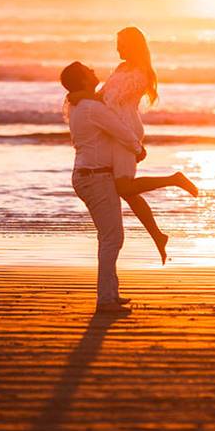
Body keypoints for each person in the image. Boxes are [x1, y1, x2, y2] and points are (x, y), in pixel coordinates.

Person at [68, 27, 198, 265]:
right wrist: (82, 97)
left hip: (125, 130)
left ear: (133, 45)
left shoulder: (141, 72)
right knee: (126, 191)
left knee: (125, 187)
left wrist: (85, 99)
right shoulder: (121, 68)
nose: (117, 49)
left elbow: (112, 101)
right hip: (117, 130)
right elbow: (104, 96)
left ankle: (174, 180)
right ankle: (158, 236)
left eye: (121, 44)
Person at [61, 61, 143, 313]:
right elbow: (122, 131)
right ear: (83, 80)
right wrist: (138, 149)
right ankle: (106, 300)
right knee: (112, 237)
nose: (94, 72)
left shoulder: (80, 105)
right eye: (89, 71)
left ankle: (110, 294)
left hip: (90, 176)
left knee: (109, 236)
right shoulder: (91, 108)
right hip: (95, 177)